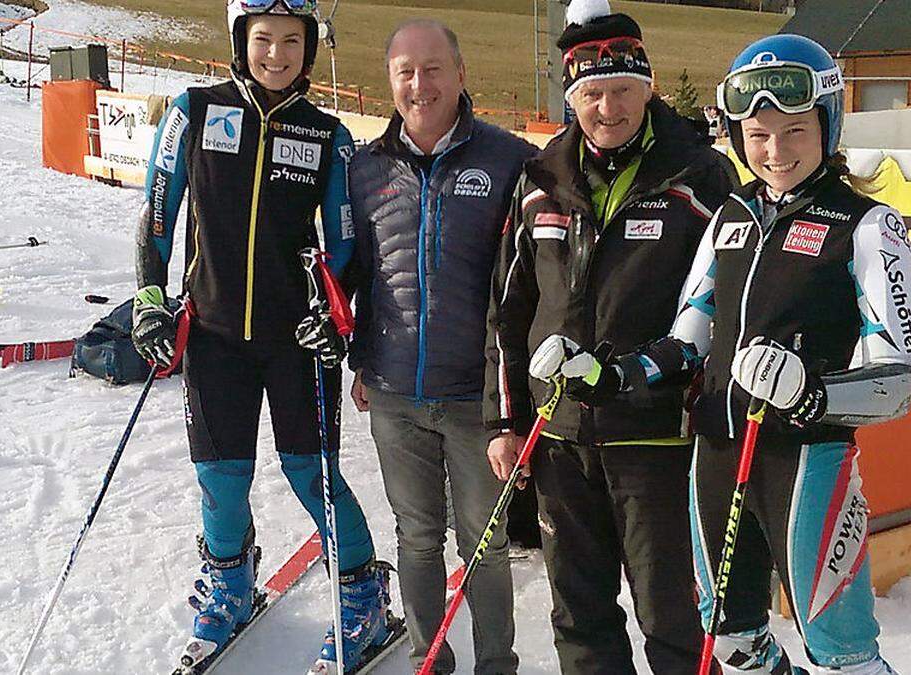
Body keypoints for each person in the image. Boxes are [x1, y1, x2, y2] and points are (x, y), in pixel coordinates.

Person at [544, 34, 911, 675]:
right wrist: (609, 375)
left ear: (827, 126)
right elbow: (686, 339)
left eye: (794, 131)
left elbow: (901, 381)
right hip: (716, 451)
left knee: (843, 651)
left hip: (808, 461)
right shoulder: (731, 216)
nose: (775, 151)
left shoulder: (866, 226)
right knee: (731, 643)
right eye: (758, 134)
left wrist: (812, 391)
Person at [132, 1, 391, 672]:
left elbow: (342, 245)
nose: (276, 53)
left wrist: (335, 319)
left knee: (314, 473)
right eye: (263, 38)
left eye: (292, 41)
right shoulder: (194, 109)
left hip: (295, 342)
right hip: (214, 334)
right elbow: (158, 215)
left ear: (309, 49)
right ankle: (231, 581)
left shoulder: (328, 135)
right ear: (241, 39)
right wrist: (150, 300)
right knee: (219, 476)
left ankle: (362, 591)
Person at [482, 1, 736, 672]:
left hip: (657, 437)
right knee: (580, 615)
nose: (609, 107)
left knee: (676, 615)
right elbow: (508, 310)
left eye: (623, 90)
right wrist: (504, 419)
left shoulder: (697, 174)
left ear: (648, 88)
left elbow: (727, 305)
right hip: (560, 436)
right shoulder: (541, 178)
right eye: (591, 93)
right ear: (573, 97)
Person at [345, 18, 536, 675]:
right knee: (417, 536)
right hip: (395, 391)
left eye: (433, 69)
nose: (420, 85)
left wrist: (515, 396)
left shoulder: (508, 160)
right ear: (391, 81)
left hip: (475, 398)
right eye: (406, 72)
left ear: (460, 74)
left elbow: (528, 279)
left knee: (484, 540)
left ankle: (497, 662)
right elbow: (361, 272)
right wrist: (360, 356)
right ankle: (431, 657)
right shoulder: (365, 169)